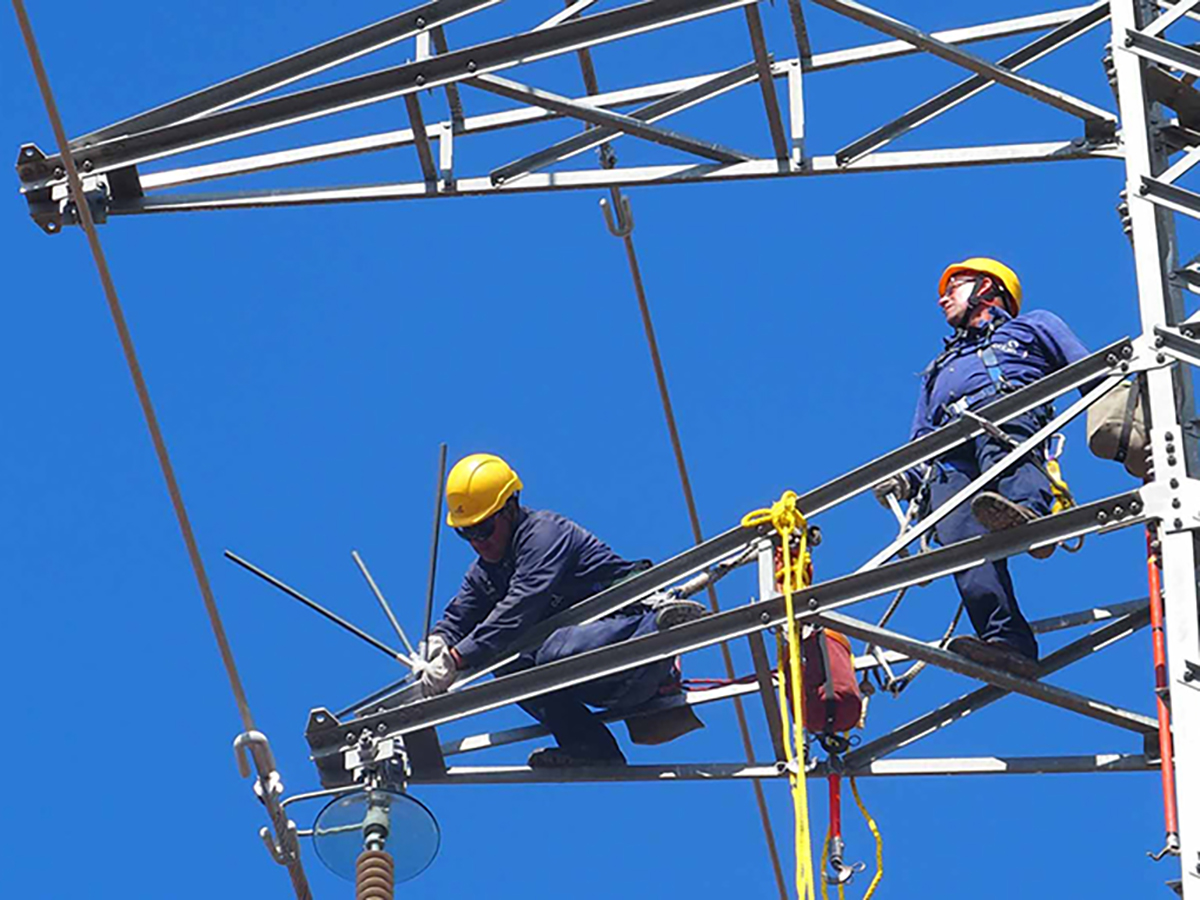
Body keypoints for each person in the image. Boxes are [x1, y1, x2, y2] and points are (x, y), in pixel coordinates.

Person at [872, 258, 1090, 678]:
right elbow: (923, 435)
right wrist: (908, 477)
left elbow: (1086, 368)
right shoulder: (939, 367)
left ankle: (1029, 515)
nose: (943, 297)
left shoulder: (1031, 327)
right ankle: (1007, 641)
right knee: (959, 539)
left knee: (1002, 442)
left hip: (1005, 412)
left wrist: (1122, 409)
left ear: (987, 288)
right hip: (950, 447)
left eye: (955, 286)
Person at [417, 453, 707, 767]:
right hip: (595, 674)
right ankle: (589, 747)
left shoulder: (544, 534)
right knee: (508, 667)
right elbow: (459, 616)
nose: (477, 541)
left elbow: (520, 605)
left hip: (629, 647)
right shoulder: (486, 572)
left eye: (483, 528)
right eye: (466, 532)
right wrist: (438, 643)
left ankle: (663, 631)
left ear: (510, 509)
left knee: (546, 651)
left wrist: (457, 658)